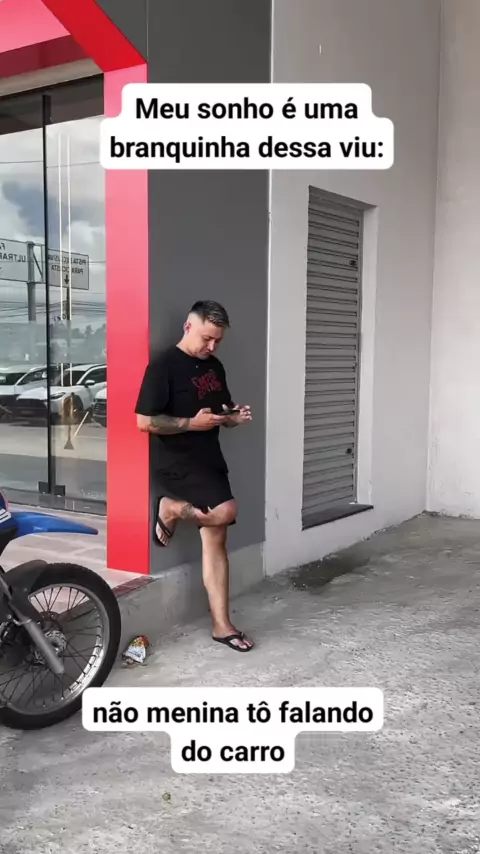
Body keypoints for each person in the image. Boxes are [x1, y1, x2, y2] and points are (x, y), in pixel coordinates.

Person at [135, 300, 254, 652]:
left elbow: (219, 410)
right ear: (189, 327)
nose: (212, 346)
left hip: (209, 458)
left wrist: (231, 417)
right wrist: (190, 424)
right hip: (177, 461)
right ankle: (171, 508)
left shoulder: (214, 366)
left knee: (217, 537)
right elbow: (144, 421)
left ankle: (221, 625)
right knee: (225, 510)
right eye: (207, 338)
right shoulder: (164, 367)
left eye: (218, 340)